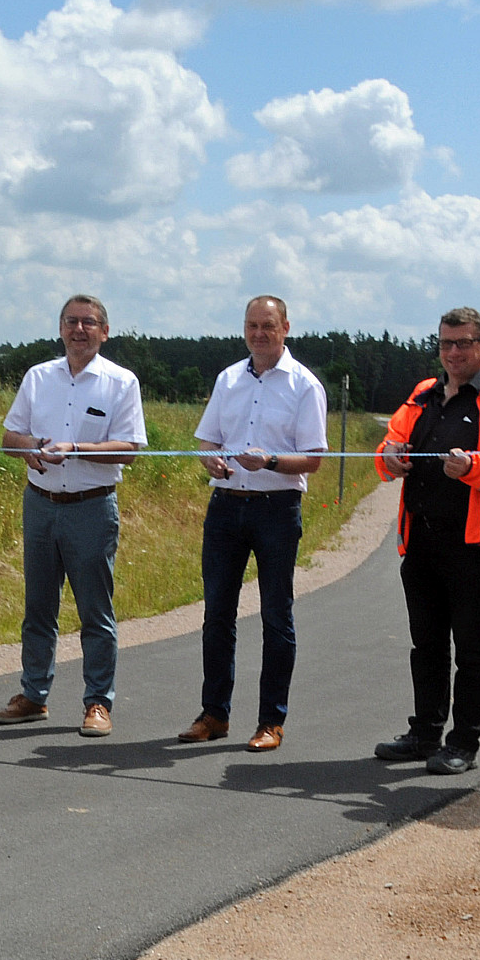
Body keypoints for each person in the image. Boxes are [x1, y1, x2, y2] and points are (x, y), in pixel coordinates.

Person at [372, 307, 480, 777]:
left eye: (464, 343)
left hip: (476, 546)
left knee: (470, 646)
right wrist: (393, 459)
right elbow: (387, 450)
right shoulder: (423, 394)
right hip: (419, 539)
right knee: (425, 644)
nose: (455, 352)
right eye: (447, 343)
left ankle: (463, 742)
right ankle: (424, 733)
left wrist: (475, 470)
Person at [0, 296, 148, 737]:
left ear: (104, 331)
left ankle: (98, 702)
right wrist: (29, 446)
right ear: (60, 328)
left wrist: (77, 449)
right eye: (71, 321)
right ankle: (33, 696)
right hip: (40, 503)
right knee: (38, 608)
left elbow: (130, 449)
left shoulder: (121, 382)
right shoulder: (38, 377)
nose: (79, 329)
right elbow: (8, 435)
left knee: (95, 612)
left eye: (89, 322)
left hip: (91, 508)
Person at [178, 296, 327, 752]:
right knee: (216, 614)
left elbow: (315, 459)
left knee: (276, 615)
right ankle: (214, 713)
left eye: (267, 325)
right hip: (225, 505)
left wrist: (273, 460)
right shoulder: (228, 379)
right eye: (251, 326)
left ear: (285, 327)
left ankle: (270, 721)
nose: (258, 334)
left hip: (276, 509)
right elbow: (207, 440)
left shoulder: (305, 385)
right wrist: (213, 463)